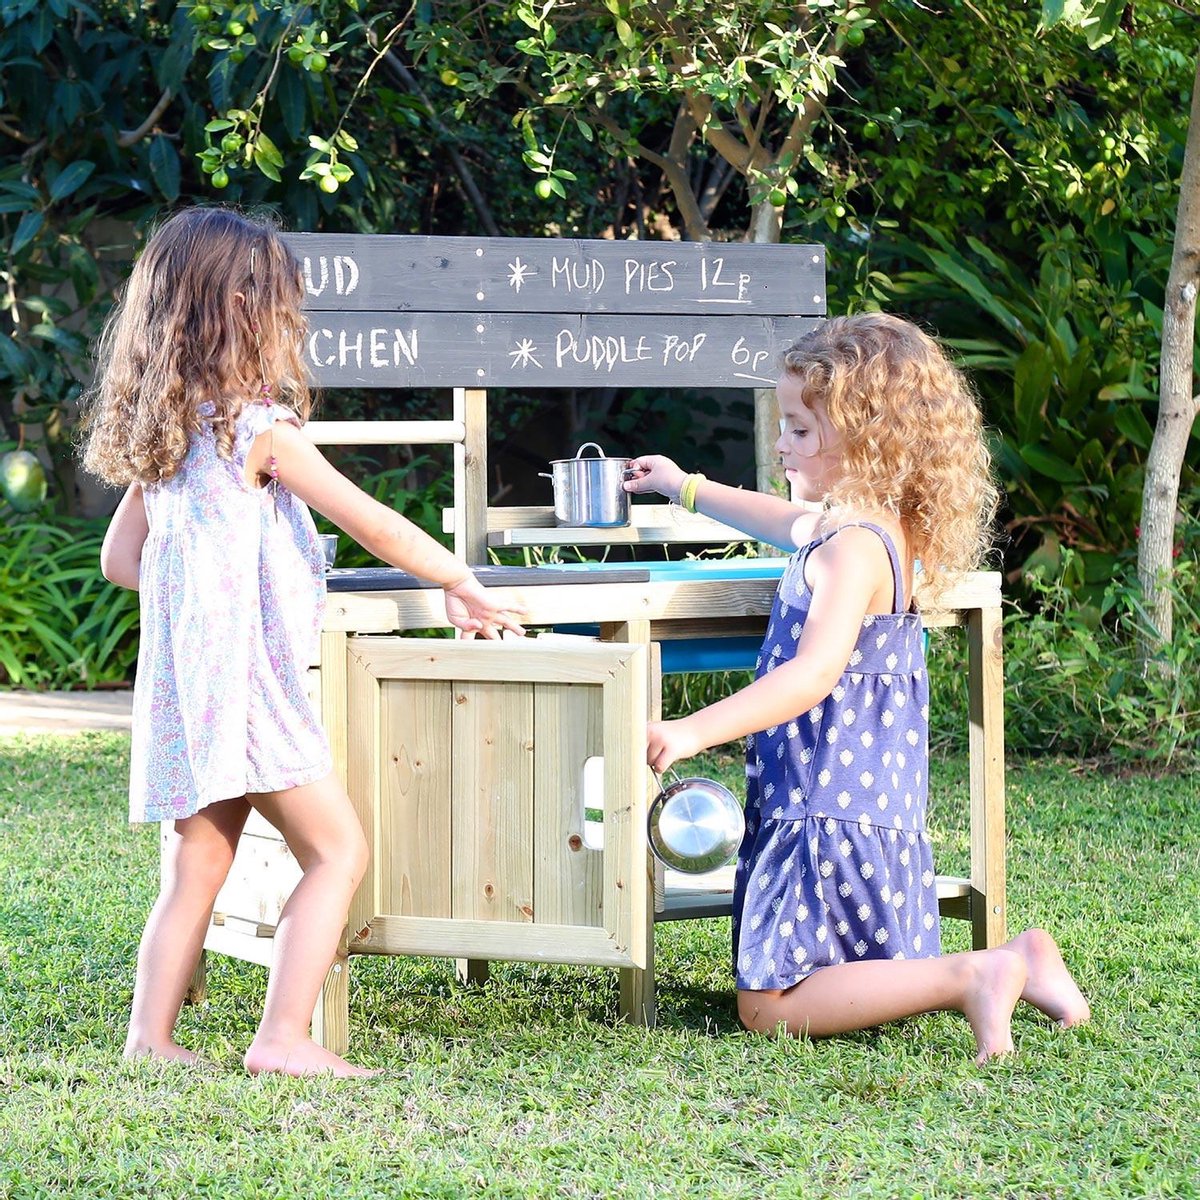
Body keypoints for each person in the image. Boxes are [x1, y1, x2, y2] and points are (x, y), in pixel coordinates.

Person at [81, 207, 525, 1078]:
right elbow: (374, 523)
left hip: (189, 692)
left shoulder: (167, 434)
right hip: (251, 688)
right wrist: (459, 580)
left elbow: (120, 561)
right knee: (338, 853)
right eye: (283, 306)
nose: (293, 324)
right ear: (241, 308)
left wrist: (206, 583)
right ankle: (281, 1040)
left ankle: (151, 1041)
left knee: (196, 869)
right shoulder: (259, 431)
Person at [623, 313, 1089, 1062]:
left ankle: (976, 974)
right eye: (784, 426)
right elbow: (781, 519)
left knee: (768, 1007)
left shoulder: (849, 550)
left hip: (822, 799)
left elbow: (812, 674)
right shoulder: (872, 531)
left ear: (872, 436)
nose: (782, 444)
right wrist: (685, 486)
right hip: (858, 798)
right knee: (823, 975)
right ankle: (1027, 954)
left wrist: (690, 730)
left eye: (803, 431)